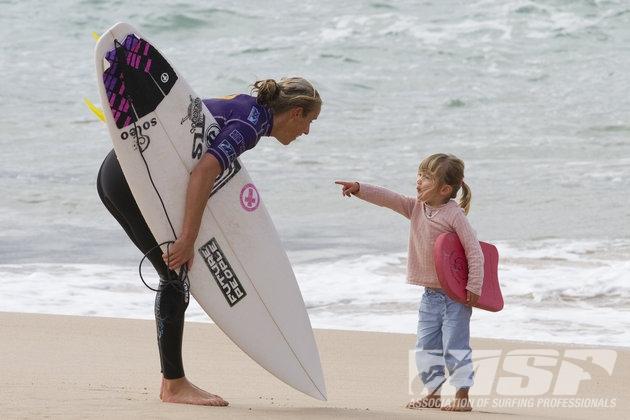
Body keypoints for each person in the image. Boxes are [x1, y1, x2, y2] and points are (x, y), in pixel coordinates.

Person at [97, 77, 321, 406]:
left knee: (172, 277)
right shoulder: (250, 124)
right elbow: (204, 171)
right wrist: (188, 238)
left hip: (119, 172)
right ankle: (173, 386)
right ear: (297, 112)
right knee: (174, 279)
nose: (306, 133)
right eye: (309, 123)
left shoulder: (248, 108)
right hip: (131, 182)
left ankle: (172, 383)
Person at [335, 153, 483, 412]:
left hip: (455, 296)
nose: (419, 181)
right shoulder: (416, 208)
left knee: (454, 346)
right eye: (420, 174)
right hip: (430, 296)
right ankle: (433, 393)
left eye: (427, 177)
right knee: (426, 346)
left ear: (445, 188)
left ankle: (462, 396)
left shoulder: (453, 214)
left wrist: (474, 286)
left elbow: (474, 251)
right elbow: (389, 199)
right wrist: (360, 189)